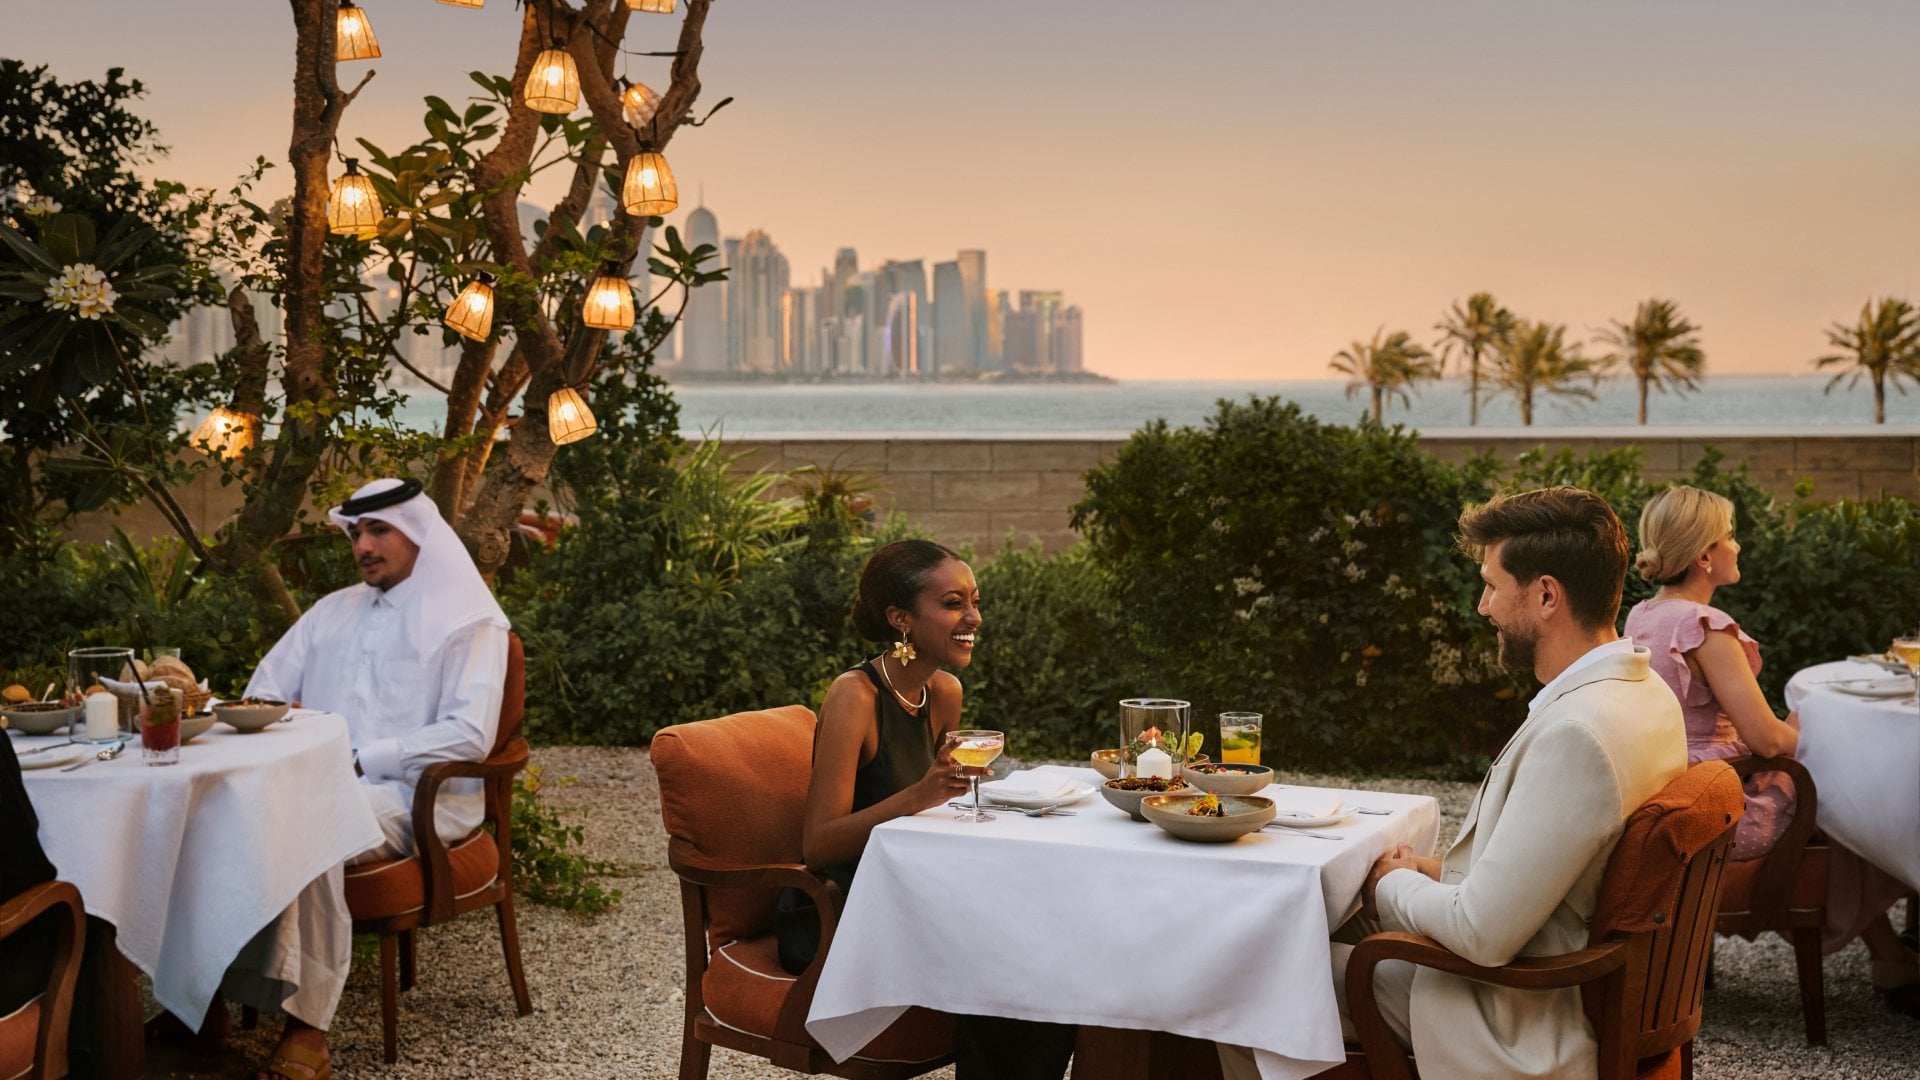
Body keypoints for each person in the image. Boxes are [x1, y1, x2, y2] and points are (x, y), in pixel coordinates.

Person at [1224, 485, 1685, 1080]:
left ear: (1547, 594)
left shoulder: (1581, 732)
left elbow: (1480, 934)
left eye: (1493, 585)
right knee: (1302, 923)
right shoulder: (1644, 695)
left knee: (1247, 979)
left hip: (1507, 1012)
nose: (1483, 606)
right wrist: (1427, 873)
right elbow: (1561, 873)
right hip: (1549, 972)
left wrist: (1391, 885)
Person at [229, 477, 511, 1080]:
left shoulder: (468, 619)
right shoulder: (332, 611)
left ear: (417, 533)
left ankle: (308, 1029)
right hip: (322, 783)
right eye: (355, 532)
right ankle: (200, 1014)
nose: (363, 545)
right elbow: (265, 691)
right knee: (223, 817)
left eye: (378, 529)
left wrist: (361, 757)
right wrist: (283, 721)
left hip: (421, 797)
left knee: (310, 825)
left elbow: (469, 736)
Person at [783, 538, 1076, 1080]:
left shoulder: (945, 692)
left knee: (1049, 951)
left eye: (975, 600)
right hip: (848, 909)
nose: (973, 617)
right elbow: (819, 845)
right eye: (952, 603)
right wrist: (921, 794)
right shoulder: (856, 696)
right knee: (1014, 973)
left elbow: (942, 809)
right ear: (901, 619)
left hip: (918, 888)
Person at [1625, 484, 1918, 1013]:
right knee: (1850, 800)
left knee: (1832, 792)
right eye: (1730, 536)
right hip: (1717, 802)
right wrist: (1817, 728)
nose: (1738, 546)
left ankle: (1892, 955)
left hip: (1666, 789)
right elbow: (1767, 740)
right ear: (1705, 556)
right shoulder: (1707, 629)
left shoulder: (1643, 616)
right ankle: (1892, 954)